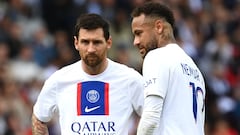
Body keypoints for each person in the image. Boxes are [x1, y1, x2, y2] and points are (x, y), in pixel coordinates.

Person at [32, 13, 144, 135]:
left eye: (96, 42)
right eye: (85, 42)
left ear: (109, 42)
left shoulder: (129, 79)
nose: (91, 49)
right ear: (76, 43)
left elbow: (156, 116)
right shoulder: (59, 80)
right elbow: (39, 118)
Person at [131, 1, 206, 135]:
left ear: (159, 27)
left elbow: (151, 117)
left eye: (139, 33)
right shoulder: (194, 68)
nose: (135, 42)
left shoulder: (156, 56)